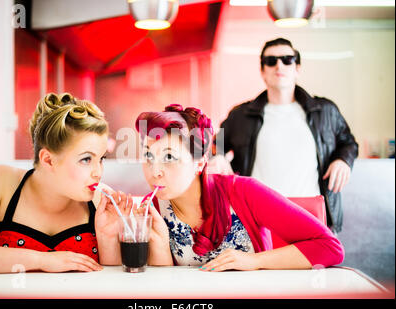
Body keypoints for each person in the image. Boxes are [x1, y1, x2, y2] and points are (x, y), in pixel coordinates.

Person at [134, 104, 344, 271]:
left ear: (199, 162)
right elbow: (164, 285)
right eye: (148, 155)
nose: (155, 170)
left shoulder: (243, 192)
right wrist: (159, 242)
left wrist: (254, 261)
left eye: (169, 157)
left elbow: (330, 248)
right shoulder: (152, 208)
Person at [0, 92, 134, 273]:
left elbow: (112, 283)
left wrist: (108, 240)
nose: (98, 172)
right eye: (86, 159)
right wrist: (40, 260)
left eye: (101, 158)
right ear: (48, 160)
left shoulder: (101, 201)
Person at [210, 38, 358, 234]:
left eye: (287, 59)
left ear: (297, 68)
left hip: (312, 217)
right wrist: (218, 156)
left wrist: (342, 160)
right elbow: (212, 141)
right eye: (271, 61)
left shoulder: (325, 111)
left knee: (315, 265)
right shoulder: (241, 115)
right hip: (258, 218)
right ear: (263, 71)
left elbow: (348, 143)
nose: (279, 65)